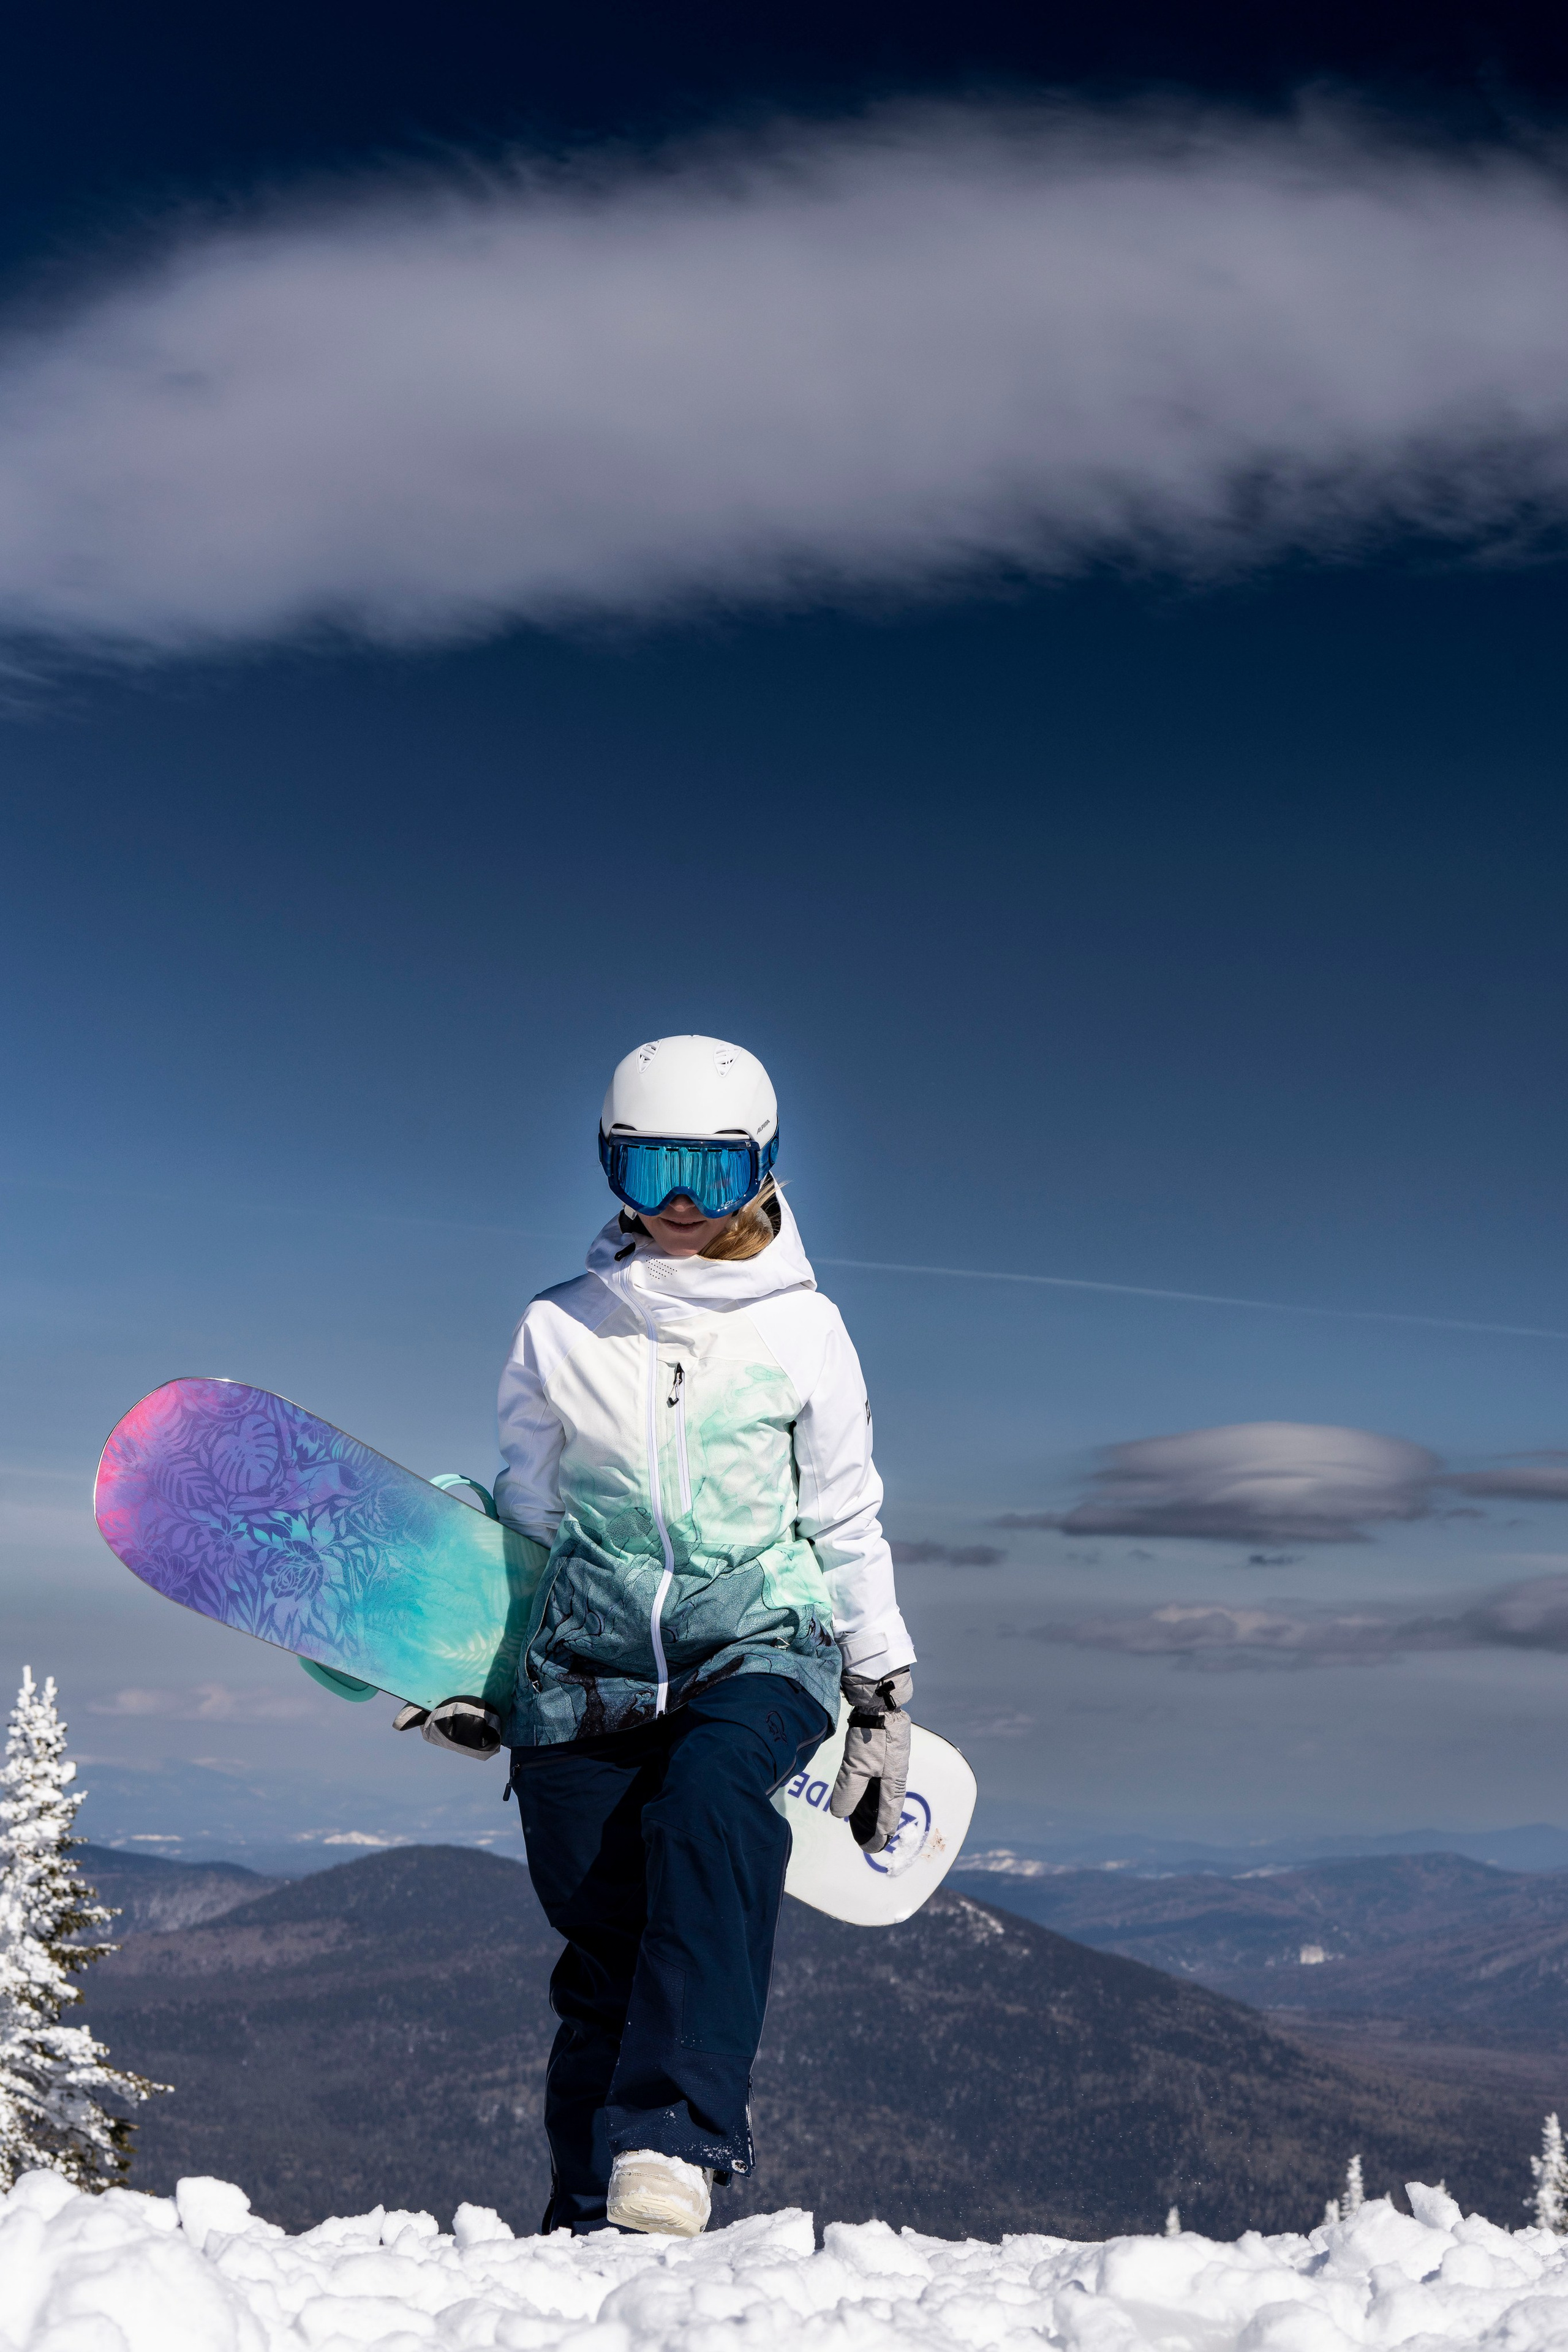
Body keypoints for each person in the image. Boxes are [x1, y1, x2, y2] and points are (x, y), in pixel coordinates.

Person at [491, 1035, 916, 2239]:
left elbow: (843, 1512)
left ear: (764, 1174)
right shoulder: (557, 1329)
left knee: (712, 1799)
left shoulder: (804, 1332)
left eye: (712, 1176)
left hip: (759, 1641)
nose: (680, 1205)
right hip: (591, 1659)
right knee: (604, 1937)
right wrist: (475, 1662)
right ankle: (586, 2220)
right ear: (609, 1169)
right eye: (650, 1169)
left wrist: (878, 1692)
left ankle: (672, 2139)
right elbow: (529, 1513)